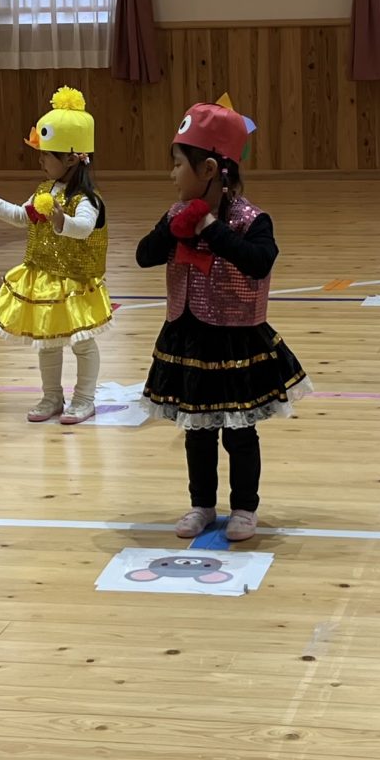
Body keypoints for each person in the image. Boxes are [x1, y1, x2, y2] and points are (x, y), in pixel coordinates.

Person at [137, 97, 307, 543]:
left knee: (239, 431)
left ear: (209, 169)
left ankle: (245, 507)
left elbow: (259, 262)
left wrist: (211, 228)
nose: (172, 174)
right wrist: (171, 229)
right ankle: (202, 504)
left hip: (235, 342)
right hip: (188, 338)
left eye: (178, 165)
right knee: (197, 429)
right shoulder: (175, 214)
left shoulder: (251, 220)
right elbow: (143, 256)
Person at [0, 86, 112, 422]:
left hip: (75, 281)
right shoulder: (44, 190)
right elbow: (22, 216)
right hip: (44, 277)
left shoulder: (88, 199)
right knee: (47, 341)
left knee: (82, 343)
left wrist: (61, 221)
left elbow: (83, 227)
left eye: (47, 155)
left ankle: (84, 398)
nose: (41, 160)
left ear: (71, 158)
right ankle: (52, 397)